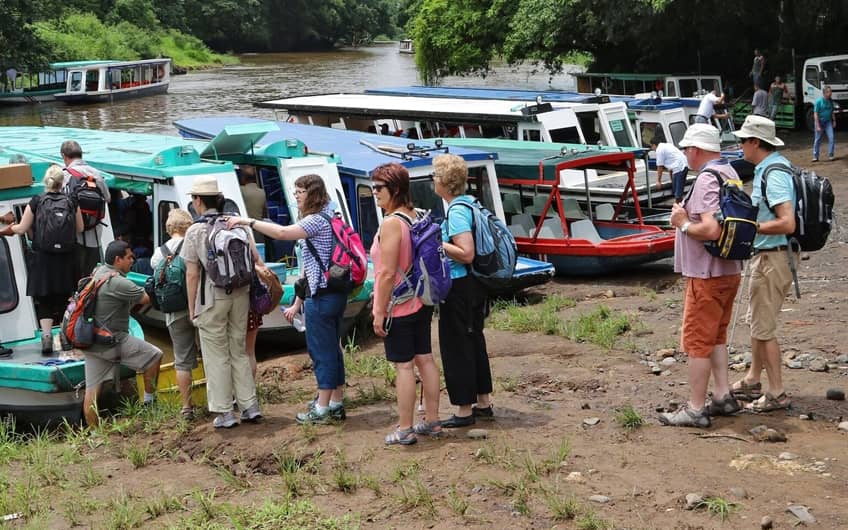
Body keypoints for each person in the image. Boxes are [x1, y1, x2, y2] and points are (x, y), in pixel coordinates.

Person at [227, 174, 348, 424]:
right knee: (333, 349)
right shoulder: (331, 215)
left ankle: (322, 409)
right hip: (335, 292)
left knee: (321, 352)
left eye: (300, 193)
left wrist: (248, 222)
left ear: (312, 193)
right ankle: (335, 402)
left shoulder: (315, 221)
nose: (296, 197)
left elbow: (281, 233)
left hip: (321, 295)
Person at [659, 124, 743, 428]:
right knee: (716, 336)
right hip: (729, 270)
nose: (684, 154)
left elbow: (710, 229)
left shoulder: (707, 178)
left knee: (697, 342)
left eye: (686, 149)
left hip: (706, 274)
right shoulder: (729, 172)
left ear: (695, 149)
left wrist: (681, 222)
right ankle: (722, 395)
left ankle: (695, 408)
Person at [370, 163, 442, 446]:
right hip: (422, 300)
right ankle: (433, 421)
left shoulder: (391, 223)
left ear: (395, 190)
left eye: (378, 188)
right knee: (425, 358)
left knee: (403, 366)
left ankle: (405, 428)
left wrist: (378, 310)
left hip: (399, 305)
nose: (374, 193)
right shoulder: (418, 215)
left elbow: (387, 273)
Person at [182, 175, 262, 429]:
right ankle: (250, 406)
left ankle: (225, 412)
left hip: (212, 296)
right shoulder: (235, 223)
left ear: (198, 201)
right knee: (238, 349)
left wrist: (192, 308)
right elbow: (255, 258)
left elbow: (192, 273)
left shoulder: (196, 230)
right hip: (241, 293)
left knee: (216, 355)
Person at [731, 115, 796, 413]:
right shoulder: (769, 168)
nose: (740, 145)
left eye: (743, 140)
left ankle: (778, 393)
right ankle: (753, 378)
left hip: (773, 256)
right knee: (758, 322)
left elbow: (787, 222)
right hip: (770, 256)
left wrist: (751, 228)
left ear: (755, 142)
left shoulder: (774, 172)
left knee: (764, 327)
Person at [433, 153, 493, 428]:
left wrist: (435, 240)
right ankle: (483, 401)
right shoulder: (470, 204)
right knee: (474, 341)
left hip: (459, 286)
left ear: (445, 182)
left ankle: (463, 410)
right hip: (474, 286)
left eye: (435, 176)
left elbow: (466, 253)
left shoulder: (456, 211)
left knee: (456, 345)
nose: (433, 180)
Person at [1, 165, 83, 354]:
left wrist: (6, 229)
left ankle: (46, 339)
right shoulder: (71, 201)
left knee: (44, 299)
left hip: (43, 259)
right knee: (64, 298)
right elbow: (79, 228)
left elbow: (21, 229)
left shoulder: (37, 201)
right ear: (62, 182)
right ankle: (64, 336)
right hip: (66, 258)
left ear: (46, 182)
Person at [82, 240, 163, 426]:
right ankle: (149, 403)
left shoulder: (98, 272)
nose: (132, 261)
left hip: (92, 340)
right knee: (155, 356)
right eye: (129, 257)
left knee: (91, 391)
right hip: (113, 340)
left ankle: (94, 434)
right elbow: (146, 299)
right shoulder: (118, 282)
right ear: (118, 260)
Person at [150, 209, 198, 419]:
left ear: (170, 228)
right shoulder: (192, 245)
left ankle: (187, 407)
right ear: (188, 226)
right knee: (213, 354)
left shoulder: (158, 253)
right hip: (198, 308)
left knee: (181, 360)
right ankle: (219, 399)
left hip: (173, 313)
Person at [60, 140, 111, 279]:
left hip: (74, 235)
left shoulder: (65, 175)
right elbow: (107, 198)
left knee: (76, 276)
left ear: (64, 156)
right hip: (94, 234)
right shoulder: (96, 174)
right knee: (90, 275)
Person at [650, 135, 688, 203]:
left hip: (679, 168)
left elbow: (660, 166)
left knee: (678, 193)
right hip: (683, 165)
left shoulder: (659, 150)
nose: (652, 148)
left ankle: (679, 207)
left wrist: (658, 181)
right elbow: (670, 166)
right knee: (675, 190)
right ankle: (678, 204)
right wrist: (672, 179)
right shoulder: (667, 145)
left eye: (651, 146)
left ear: (654, 145)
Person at [813, 86, 836, 162]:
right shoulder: (819, 102)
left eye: (831, 91)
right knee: (817, 139)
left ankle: (831, 154)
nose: (830, 93)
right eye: (829, 92)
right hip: (820, 122)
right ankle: (815, 156)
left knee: (831, 138)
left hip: (828, 122)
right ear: (824, 93)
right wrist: (818, 125)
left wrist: (834, 121)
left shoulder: (830, 101)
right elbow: (815, 114)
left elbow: (832, 111)